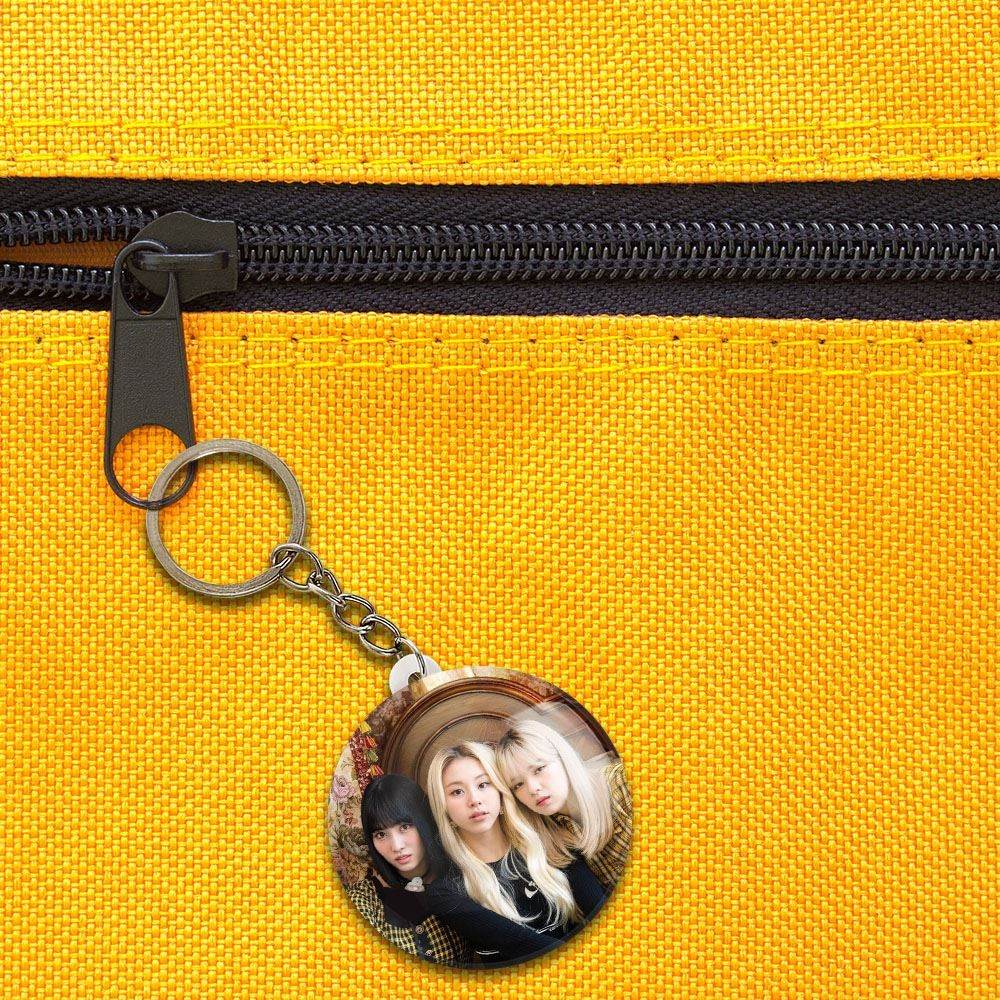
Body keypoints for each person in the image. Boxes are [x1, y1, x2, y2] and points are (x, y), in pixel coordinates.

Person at [423, 741, 605, 964]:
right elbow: (532, 949)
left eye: (483, 784)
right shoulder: (446, 893)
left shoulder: (550, 841)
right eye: (457, 792)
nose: (474, 800)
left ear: (501, 792)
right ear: (443, 806)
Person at [346, 773, 473, 966]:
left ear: (424, 821)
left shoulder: (462, 877)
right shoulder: (362, 901)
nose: (396, 846)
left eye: (404, 827)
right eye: (381, 834)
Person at [495, 717, 632, 890]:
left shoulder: (623, 784)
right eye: (518, 785)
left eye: (539, 769)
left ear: (563, 757)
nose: (533, 789)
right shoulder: (546, 833)